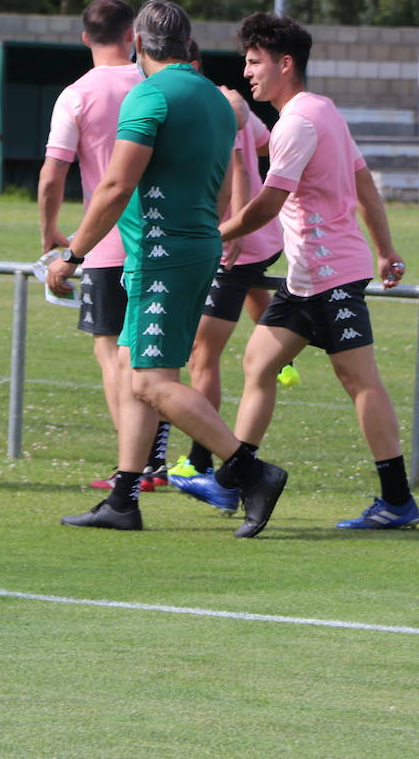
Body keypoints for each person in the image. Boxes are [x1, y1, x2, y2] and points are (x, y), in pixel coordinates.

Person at [47, 0, 288, 538]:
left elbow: (114, 187)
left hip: (162, 254)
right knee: (138, 375)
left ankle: (251, 472)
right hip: (189, 245)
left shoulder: (149, 97)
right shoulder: (216, 99)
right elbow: (226, 184)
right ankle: (122, 498)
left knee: (154, 384)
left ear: (137, 41)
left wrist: (73, 255)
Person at [220, 11, 419, 529]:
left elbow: (267, 204)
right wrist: (384, 249)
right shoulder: (323, 111)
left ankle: (397, 501)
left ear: (285, 63)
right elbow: (365, 186)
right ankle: (239, 478)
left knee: (359, 380)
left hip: (329, 276)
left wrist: (217, 235)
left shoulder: (298, 123)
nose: (248, 72)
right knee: (258, 363)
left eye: (255, 61)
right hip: (308, 276)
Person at [37, 0, 172, 493]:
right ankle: (151, 463)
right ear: (132, 36)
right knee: (155, 354)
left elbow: (54, 171)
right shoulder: (155, 84)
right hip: (160, 238)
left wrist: (51, 231)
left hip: (106, 242)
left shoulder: (76, 94)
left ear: (84, 38)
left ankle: (130, 469)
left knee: (113, 354)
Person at [168, 42, 299, 515]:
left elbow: (243, 162)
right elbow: (262, 146)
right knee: (242, 317)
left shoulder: (219, 104)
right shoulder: (229, 103)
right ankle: (283, 357)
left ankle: (201, 460)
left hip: (239, 244)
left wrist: (237, 227)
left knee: (204, 351)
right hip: (251, 241)